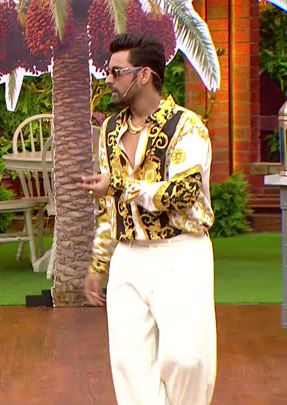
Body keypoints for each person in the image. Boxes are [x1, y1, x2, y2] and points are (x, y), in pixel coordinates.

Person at [80, 33, 216, 405]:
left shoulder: (187, 126)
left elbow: (182, 193)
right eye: (108, 71)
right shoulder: (110, 130)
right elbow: (109, 205)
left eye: (117, 72)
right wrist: (99, 262)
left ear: (144, 75)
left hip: (181, 251)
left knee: (186, 359)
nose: (108, 79)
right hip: (128, 255)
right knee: (130, 365)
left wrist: (118, 185)